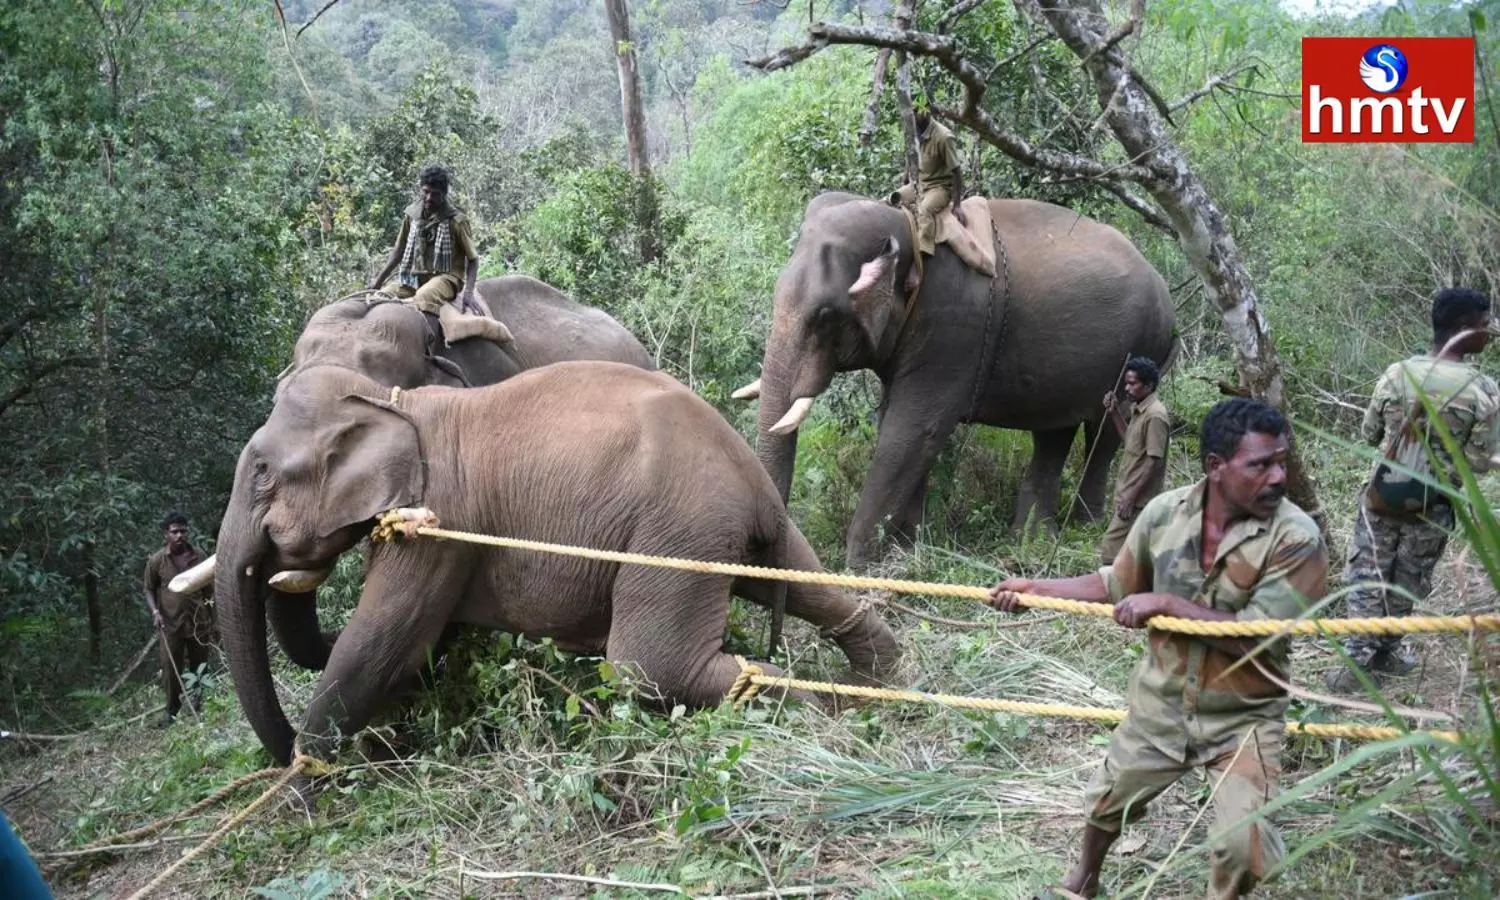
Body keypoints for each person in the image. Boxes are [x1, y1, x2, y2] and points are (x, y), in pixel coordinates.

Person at [988, 398, 1328, 898]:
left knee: (1243, 848)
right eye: (1261, 464)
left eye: (1281, 461)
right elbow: (1115, 584)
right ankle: (1084, 879)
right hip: (1162, 701)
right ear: (1216, 467)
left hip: (1245, 716)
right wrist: (1036, 591)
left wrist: (1168, 603)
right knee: (1106, 802)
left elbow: (1260, 636)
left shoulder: (1296, 537)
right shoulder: (1164, 513)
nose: (1278, 477)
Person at [1325, 286, 1499, 692]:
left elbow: (1369, 434)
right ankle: (1385, 649)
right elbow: (1477, 463)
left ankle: (1357, 661)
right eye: (1484, 325)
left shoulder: (1397, 373)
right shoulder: (1483, 390)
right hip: (1433, 503)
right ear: (1462, 329)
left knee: (1368, 572)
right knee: (1407, 579)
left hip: (1381, 495)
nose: (1489, 333)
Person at [368, 164, 512, 344]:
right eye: (426, 192)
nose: (429, 198)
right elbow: (398, 251)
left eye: (435, 194)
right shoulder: (412, 215)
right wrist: (378, 281)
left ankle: (426, 345)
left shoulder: (456, 221)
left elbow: (473, 260)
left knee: (423, 297)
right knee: (383, 295)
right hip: (415, 277)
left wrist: (468, 293)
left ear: (443, 194)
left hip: (447, 277)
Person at [142, 511, 216, 724]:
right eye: (175, 532)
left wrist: (213, 620)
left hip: (197, 622)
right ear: (166, 534)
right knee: (170, 666)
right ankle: (171, 710)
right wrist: (155, 612)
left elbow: (209, 590)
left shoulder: (199, 556)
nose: (179, 536)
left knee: (200, 665)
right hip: (170, 623)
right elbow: (148, 588)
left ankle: (199, 704)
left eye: (183, 531)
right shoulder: (157, 560)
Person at [1098, 356, 1171, 565]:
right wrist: (1113, 413)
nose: (1127, 389)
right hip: (1127, 495)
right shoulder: (1139, 409)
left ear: (1148, 385)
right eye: (1126, 383)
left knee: (1110, 553)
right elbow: (1130, 441)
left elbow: (1154, 461)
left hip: (1136, 500)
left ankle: (1108, 592)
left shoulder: (1155, 416)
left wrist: (1131, 496)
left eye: (1132, 384)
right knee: (1131, 555)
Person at [888, 108, 966, 257]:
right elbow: (910, 155)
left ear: (926, 111)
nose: (913, 115)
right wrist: (905, 180)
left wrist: (957, 205)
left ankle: (922, 257)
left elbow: (956, 172)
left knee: (924, 211)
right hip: (919, 184)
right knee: (892, 199)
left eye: (917, 111)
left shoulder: (943, 137)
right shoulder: (913, 131)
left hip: (939, 187)